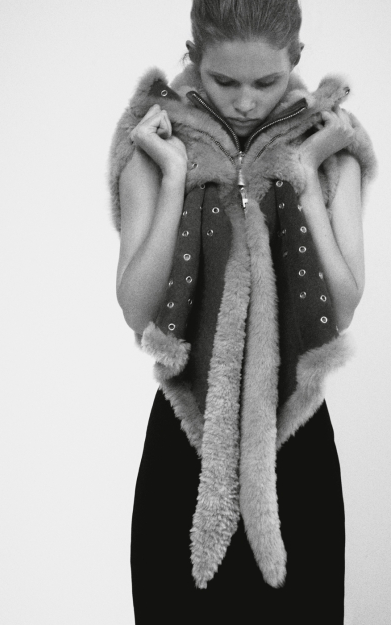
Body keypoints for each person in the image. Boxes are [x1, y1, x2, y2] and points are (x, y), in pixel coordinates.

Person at [109, 0, 376, 623]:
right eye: (225, 81)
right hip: (186, 439)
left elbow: (341, 307)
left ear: (297, 59)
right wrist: (174, 178)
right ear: (193, 56)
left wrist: (302, 172)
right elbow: (136, 309)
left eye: (267, 81)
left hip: (294, 440)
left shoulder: (331, 144)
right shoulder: (153, 140)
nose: (246, 102)